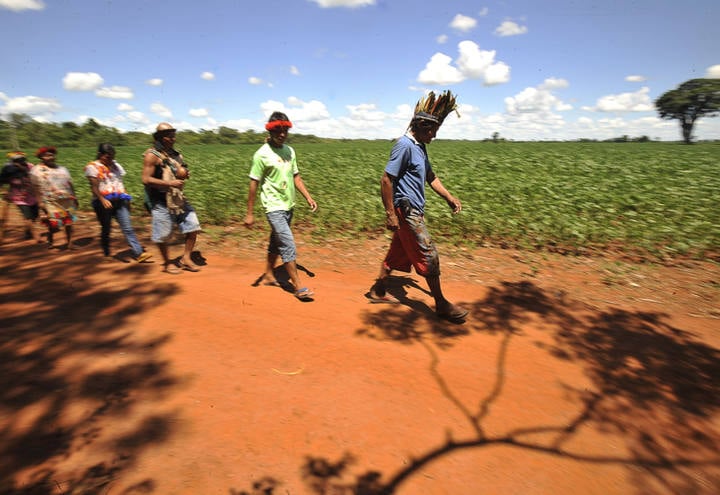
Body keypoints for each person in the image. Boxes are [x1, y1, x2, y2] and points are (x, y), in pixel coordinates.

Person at [368, 91, 468, 322]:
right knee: (429, 255)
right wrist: (390, 214)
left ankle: (378, 290)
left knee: (397, 252)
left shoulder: (420, 147)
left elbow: (431, 176)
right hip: (407, 211)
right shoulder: (404, 145)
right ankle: (441, 304)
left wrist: (449, 197)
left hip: (414, 210)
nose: (434, 136)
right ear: (422, 125)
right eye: (432, 130)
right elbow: (386, 179)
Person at [244, 111, 318, 300]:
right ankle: (298, 286)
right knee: (287, 243)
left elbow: (296, 176)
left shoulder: (289, 151)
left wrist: (308, 197)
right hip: (273, 206)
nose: (282, 134)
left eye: (285, 130)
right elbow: (253, 184)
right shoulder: (261, 155)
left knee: (276, 241)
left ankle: (269, 274)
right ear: (270, 131)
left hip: (288, 205)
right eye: (278, 130)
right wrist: (249, 213)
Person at [142, 122, 202, 274]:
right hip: (160, 200)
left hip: (177, 198)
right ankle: (167, 263)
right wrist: (170, 183)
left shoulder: (175, 155)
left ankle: (186, 258)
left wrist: (184, 173)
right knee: (163, 234)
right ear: (161, 138)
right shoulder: (151, 155)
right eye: (170, 136)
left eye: (173, 135)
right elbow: (146, 179)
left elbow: (181, 171)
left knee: (193, 226)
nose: (173, 138)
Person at [85, 143, 152, 263]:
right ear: (100, 155)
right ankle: (106, 252)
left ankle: (138, 253)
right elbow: (94, 187)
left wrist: (127, 198)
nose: (110, 159)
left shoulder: (116, 166)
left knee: (127, 227)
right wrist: (102, 199)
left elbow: (119, 183)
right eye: (107, 156)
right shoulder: (92, 167)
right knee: (106, 228)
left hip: (120, 200)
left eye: (112, 156)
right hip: (102, 202)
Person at [30, 146, 78, 249]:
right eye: (47, 155)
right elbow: (35, 188)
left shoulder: (62, 169)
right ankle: (50, 239)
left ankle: (70, 243)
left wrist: (75, 197)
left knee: (68, 221)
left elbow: (70, 184)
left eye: (52, 155)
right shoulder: (36, 171)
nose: (50, 157)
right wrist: (40, 202)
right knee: (54, 222)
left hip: (66, 198)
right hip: (49, 200)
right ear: (41, 157)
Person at [0, 151, 41, 243]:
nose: (19, 162)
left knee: (35, 216)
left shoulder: (30, 166)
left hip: (32, 195)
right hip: (18, 197)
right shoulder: (8, 169)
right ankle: (36, 236)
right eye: (17, 160)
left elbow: (36, 177)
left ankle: (28, 232)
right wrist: (4, 192)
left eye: (21, 160)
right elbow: (1, 181)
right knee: (28, 216)